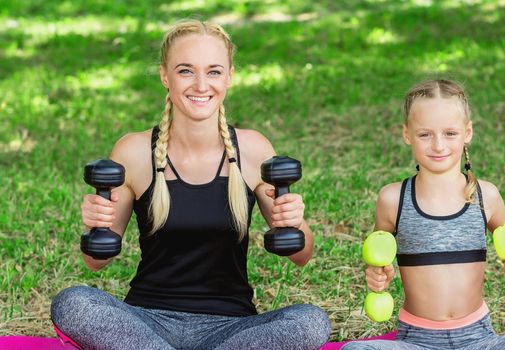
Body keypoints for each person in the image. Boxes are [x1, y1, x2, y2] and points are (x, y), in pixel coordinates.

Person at [51, 19, 331, 350]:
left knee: (312, 322)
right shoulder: (133, 152)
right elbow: (96, 262)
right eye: (186, 70)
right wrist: (96, 221)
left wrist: (295, 220)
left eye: (213, 71)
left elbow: (301, 256)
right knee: (72, 302)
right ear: (164, 76)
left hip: (230, 327)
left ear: (229, 77)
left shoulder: (254, 150)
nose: (201, 84)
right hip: (147, 323)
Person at [343, 79, 505, 350]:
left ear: (467, 132)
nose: (438, 145)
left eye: (450, 133)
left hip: (480, 340)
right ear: (407, 135)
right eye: (425, 134)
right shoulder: (392, 199)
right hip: (417, 341)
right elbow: (378, 258)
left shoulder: (487, 196)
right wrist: (377, 274)